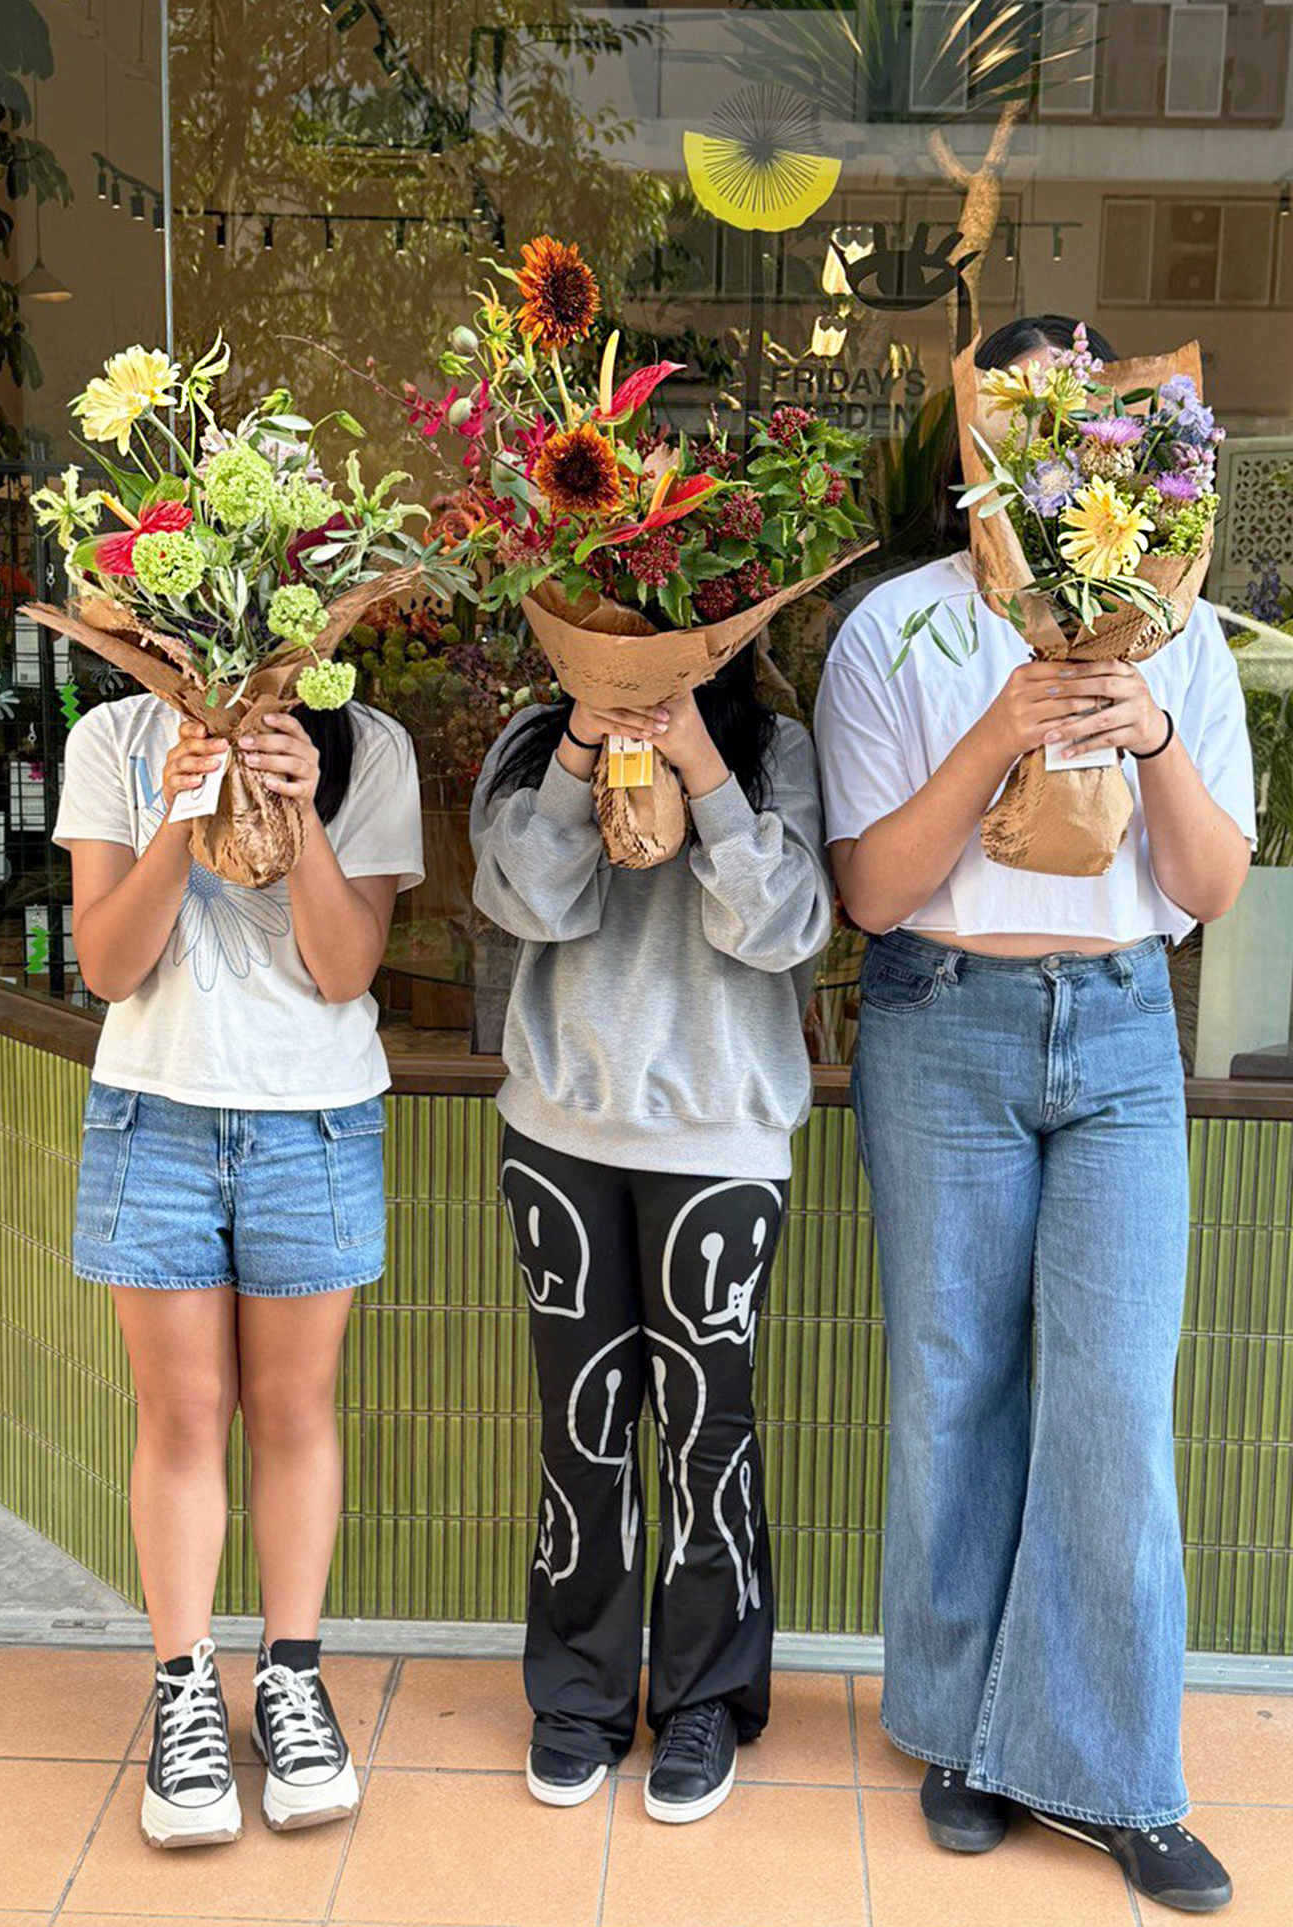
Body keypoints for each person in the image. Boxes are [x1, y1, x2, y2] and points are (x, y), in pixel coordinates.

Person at [813, 316, 1254, 1914]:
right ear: (975, 449)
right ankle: (956, 1731)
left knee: (1116, 1399)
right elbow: (867, 887)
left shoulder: (1177, 630)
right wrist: (1000, 728)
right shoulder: (897, 633)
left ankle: (1123, 1769)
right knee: (952, 1383)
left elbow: (1205, 889)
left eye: (1088, 429)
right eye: (1025, 426)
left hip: (1125, 1030)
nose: (1056, 460)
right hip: (943, 1020)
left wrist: (1146, 731)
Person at [55, 692, 423, 1848]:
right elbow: (109, 966)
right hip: (153, 1117)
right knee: (178, 1415)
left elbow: (345, 967)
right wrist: (182, 809)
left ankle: (292, 1674)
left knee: (292, 1410)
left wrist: (302, 807)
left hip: (310, 1121)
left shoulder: (368, 742)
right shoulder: (110, 739)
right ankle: (183, 1692)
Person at [470, 649, 831, 1823]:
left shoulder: (771, 752)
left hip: (718, 1135)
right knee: (581, 1428)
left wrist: (699, 765)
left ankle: (704, 1702)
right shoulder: (533, 738)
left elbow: (783, 931)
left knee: (703, 1435)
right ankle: (577, 1695)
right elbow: (522, 899)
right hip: (562, 1128)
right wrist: (581, 746)